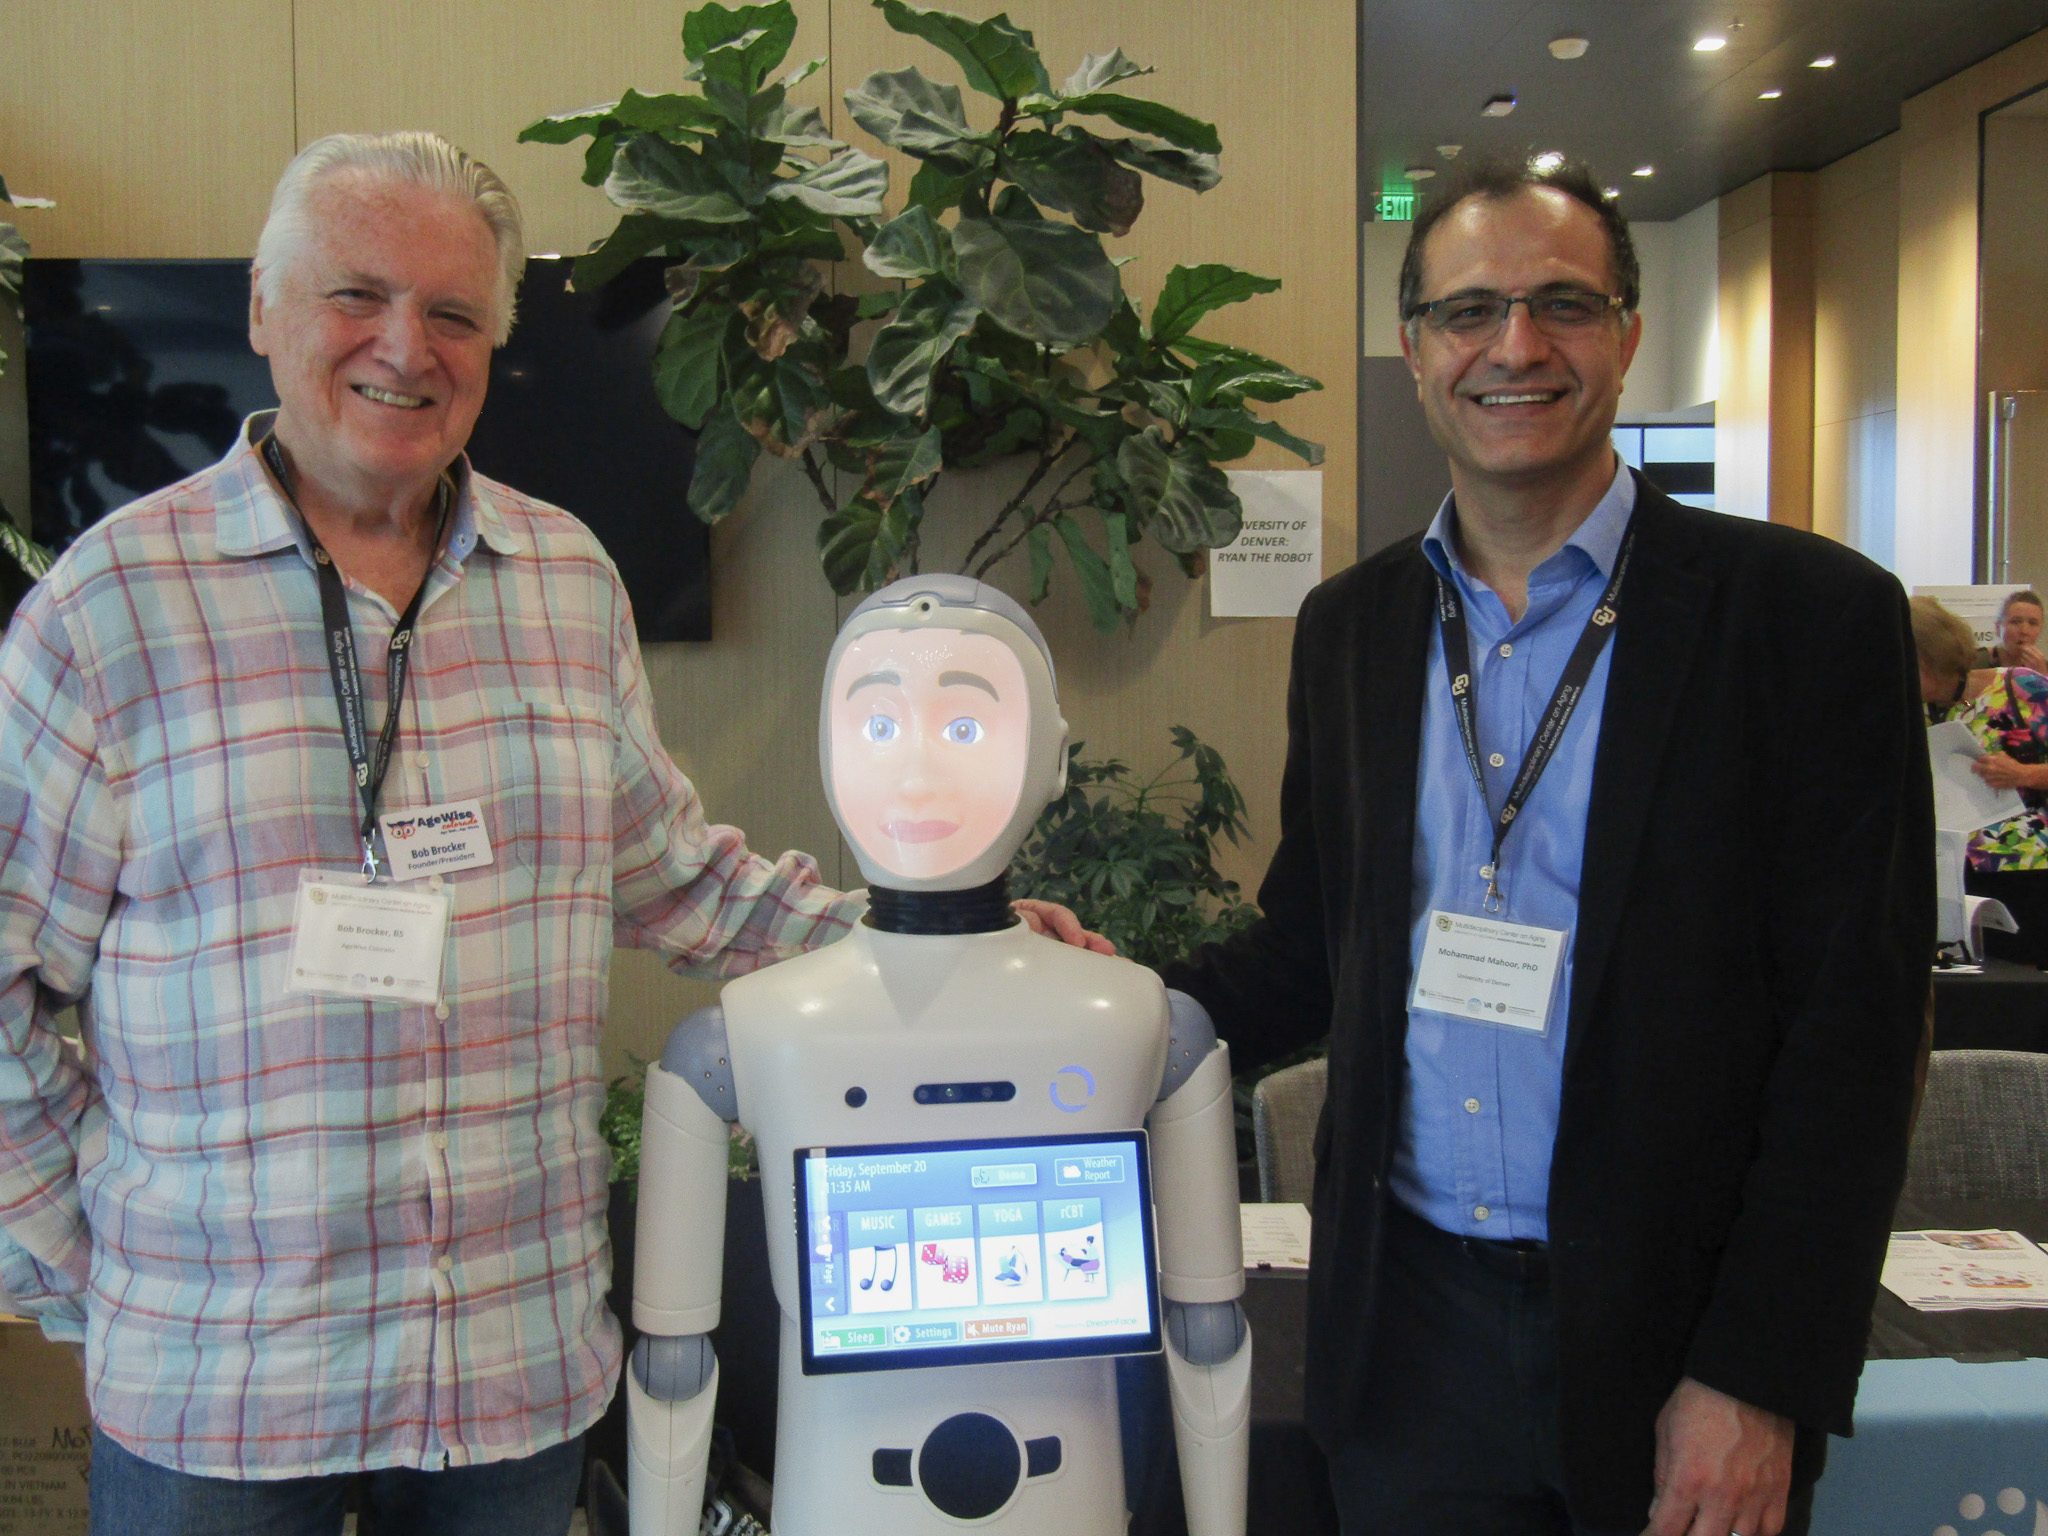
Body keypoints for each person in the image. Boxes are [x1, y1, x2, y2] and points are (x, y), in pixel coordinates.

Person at [0, 131, 1097, 1535]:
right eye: (358, 296)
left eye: (454, 313)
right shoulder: (109, 611)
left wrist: (953, 937)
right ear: (265, 312)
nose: (407, 346)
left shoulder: (565, 583)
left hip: (505, 1372)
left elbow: (680, 881)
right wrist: (85, 1262)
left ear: (496, 345)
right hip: (220, 1386)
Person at [1164, 155, 1932, 1536]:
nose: (1514, 347)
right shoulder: (1355, 630)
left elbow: (1857, 1040)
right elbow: (1309, 946)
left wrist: (1756, 1377)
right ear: (1414, 353)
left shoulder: (1805, 620)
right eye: (1469, 313)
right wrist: (1092, 991)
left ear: (1628, 334)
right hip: (1407, 1343)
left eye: (1561, 305)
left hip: (1675, 1338)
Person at [1915, 595, 2048, 967]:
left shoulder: (2022, 688)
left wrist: (2023, 773)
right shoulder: (1909, 707)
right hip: (1943, 872)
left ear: (1929, 660)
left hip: (2024, 868)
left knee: (2018, 994)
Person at [1977, 588, 2047, 670]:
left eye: (2032, 623)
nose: (2024, 631)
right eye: (2015, 622)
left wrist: (2042, 678)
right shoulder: (1973, 663)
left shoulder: (2043, 669)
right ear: (1998, 627)